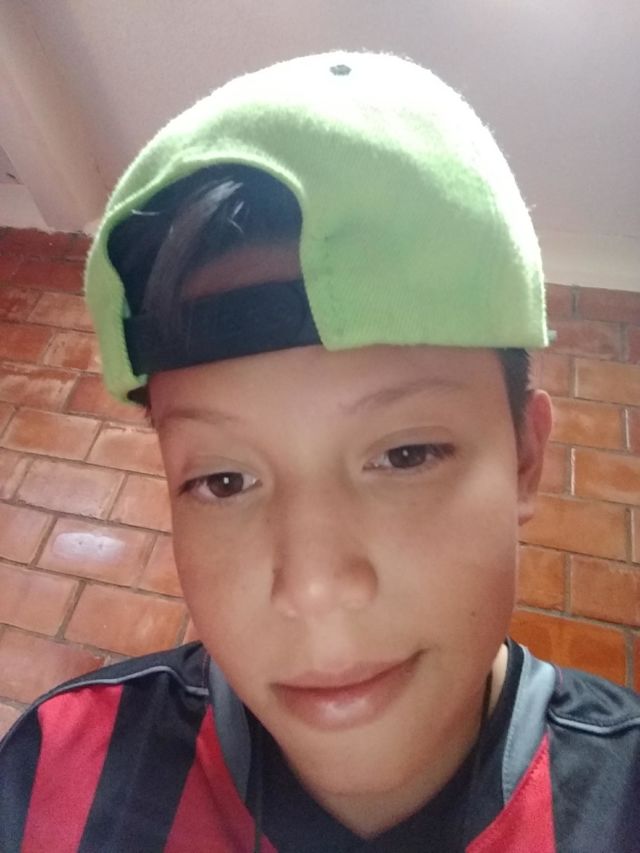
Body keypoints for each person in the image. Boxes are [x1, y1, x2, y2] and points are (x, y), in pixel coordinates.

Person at [1, 51, 639, 853]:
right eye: (223, 479)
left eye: (405, 455)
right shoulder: (51, 780)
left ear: (525, 459)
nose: (313, 586)